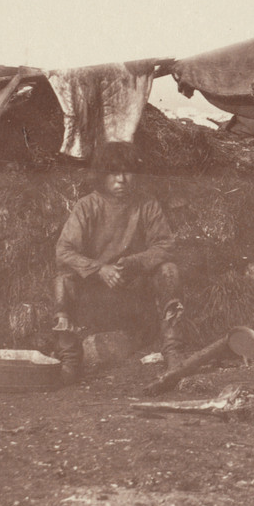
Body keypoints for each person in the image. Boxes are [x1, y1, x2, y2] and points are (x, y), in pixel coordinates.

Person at [54, 143, 184, 356]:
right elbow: (64, 251)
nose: (121, 179)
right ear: (101, 175)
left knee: (169, 270)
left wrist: (135, 262)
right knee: (63, 280)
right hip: (96, 291)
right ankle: (69, 357)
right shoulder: (87, 206)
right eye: (113, 172)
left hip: (135, 290)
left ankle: (173, 350)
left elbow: (165, 246)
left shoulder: (146, 205)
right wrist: (99, 269)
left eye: (127, 172)